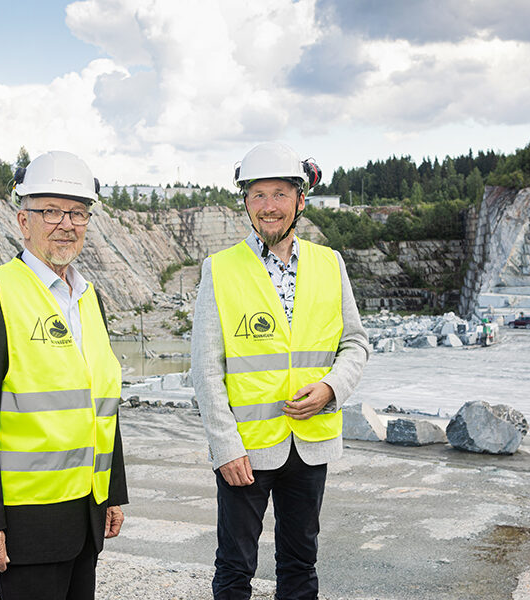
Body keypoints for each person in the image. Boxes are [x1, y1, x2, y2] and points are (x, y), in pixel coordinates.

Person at [0, 150, 128, 600]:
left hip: (84, 516)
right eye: (50, 211)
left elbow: (99, 399)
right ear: (23, 220)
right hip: (24, 527)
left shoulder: (88, 299)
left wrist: (113, 491)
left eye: (78, 213)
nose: (66, 223)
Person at [191, 142, 369, 600]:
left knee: (300, 564)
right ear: (246, 203)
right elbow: (206, 370)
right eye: (257, 195)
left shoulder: (331, 264)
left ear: (300, 200)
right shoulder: (221, 269)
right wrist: (225, 448)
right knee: (234, 567)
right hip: (246, 451)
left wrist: (331, 388)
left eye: (279, 194)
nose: (269, 206)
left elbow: (355, 343)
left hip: (310, 446)